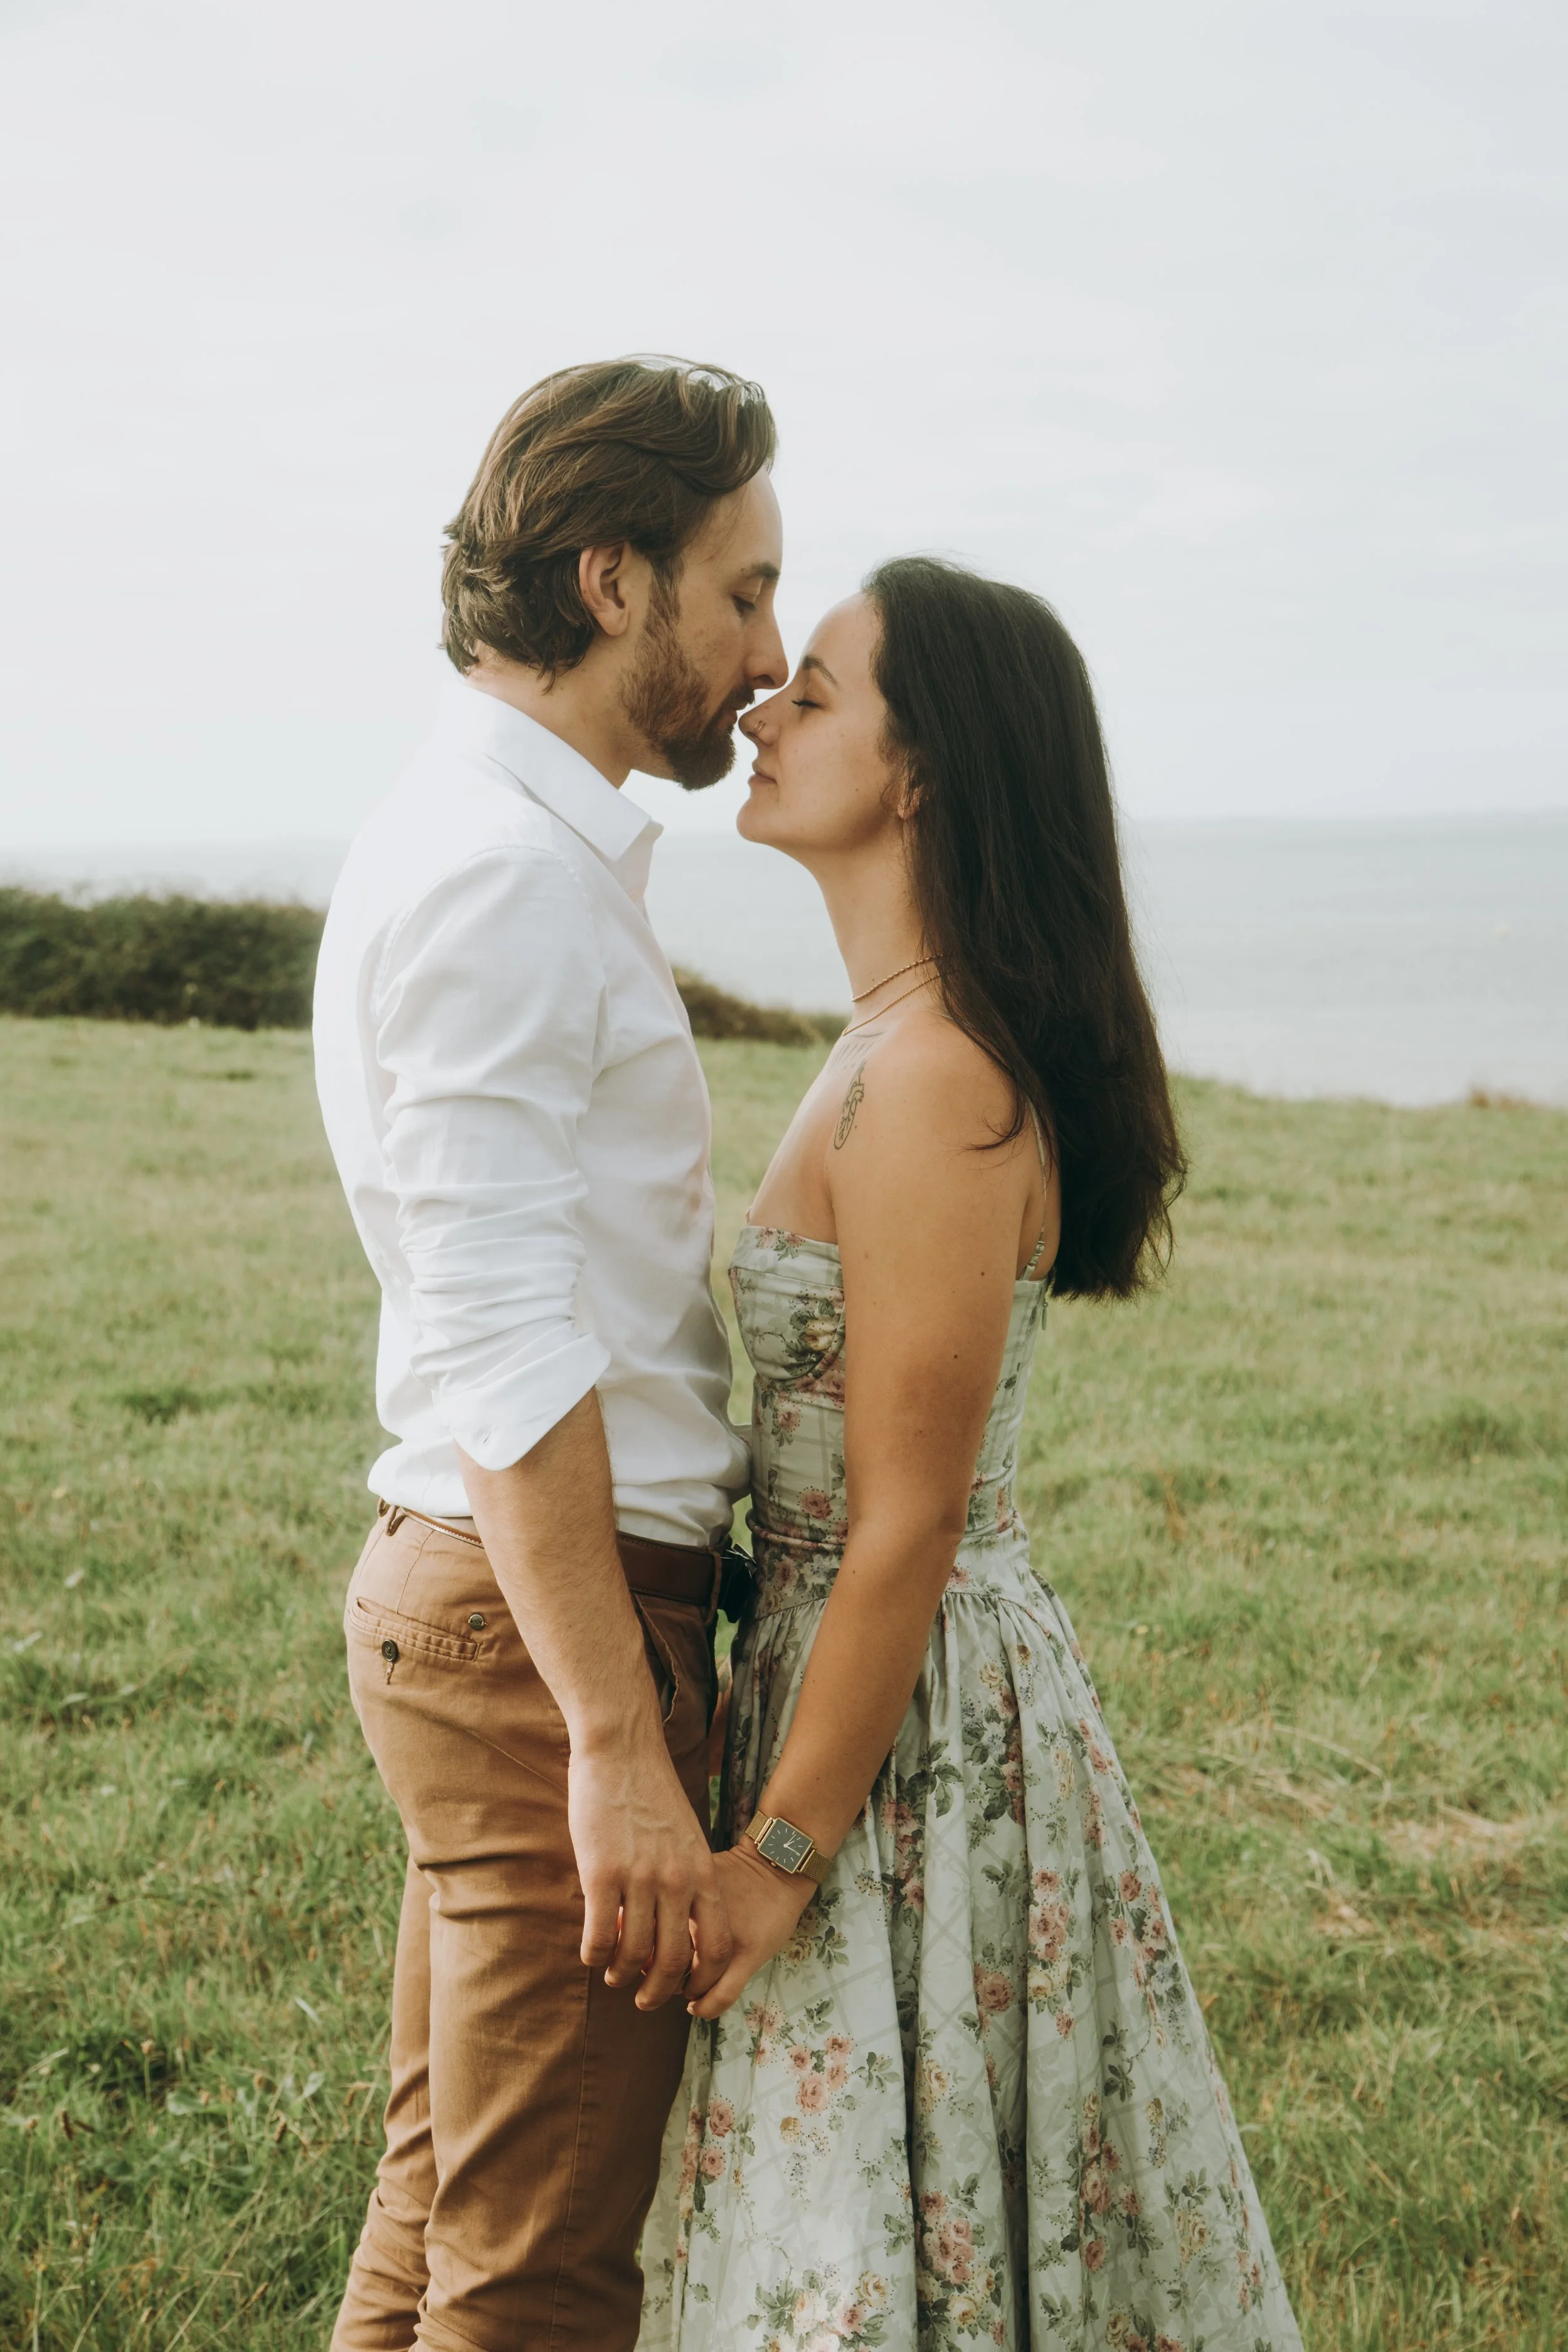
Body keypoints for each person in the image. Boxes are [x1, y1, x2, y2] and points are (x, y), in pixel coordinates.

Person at [638, 559, 1303, 2351]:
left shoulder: (930, 1079)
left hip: (910, 1710)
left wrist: (776, 1854)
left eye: (823, 691)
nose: (765, 705)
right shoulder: (889, 1045)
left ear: (922, 773)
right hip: (865, 1679)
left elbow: (905, 1523)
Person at [312, 356, 785, 2352]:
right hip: (544, 1638)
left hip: (498, 1615)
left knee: (442, 2220)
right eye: (743, 591)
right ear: (614, 581)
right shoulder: (504, 879)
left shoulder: (504, 841)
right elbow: (502, 1330)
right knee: (539, 2280)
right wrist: (610, 1735)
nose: (767, 658)